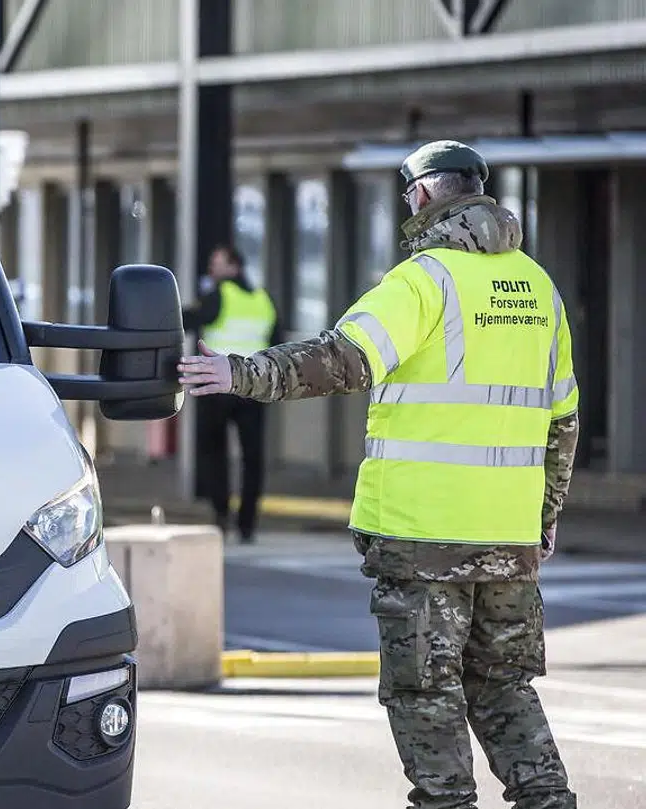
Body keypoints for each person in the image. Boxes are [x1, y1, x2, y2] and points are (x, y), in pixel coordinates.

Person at [177, 140, 579, 809]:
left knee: (426, 694)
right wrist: (543, 519)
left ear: (423, 196)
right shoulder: (540, 288)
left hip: (425, 540)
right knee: (504, 686)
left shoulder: (424, 280)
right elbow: (562, 419)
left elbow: (342, 359)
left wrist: (237, 372)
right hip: (509, 544)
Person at [182, 244, 280, 543]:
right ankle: (247, 524)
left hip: (217, 384)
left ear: (234, 267)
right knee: (253, 457)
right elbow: (276, 341)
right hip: (254, 388)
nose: (213, 268)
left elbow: (190, 321)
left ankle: (221, 515)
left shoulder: (219, 294)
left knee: (214, 452)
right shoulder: (264, 299)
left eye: (218, 263)